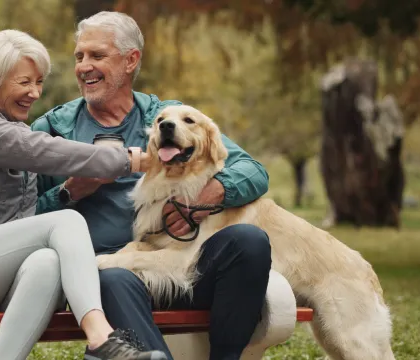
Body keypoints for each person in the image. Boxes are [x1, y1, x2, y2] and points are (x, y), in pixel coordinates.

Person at [0, 29, 168, 360]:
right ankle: (101, 338)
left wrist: (65, 193)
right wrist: (130, 159)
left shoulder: (14, 131)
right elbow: (39, 149)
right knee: (65, 222)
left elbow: (21, 220)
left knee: (47, 262)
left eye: (39, 82)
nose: (34, 93)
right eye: (24, 82)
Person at [32, 12, 272, 360]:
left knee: (248, 242)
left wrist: (200, 202)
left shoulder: (166, 118)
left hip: (176, 263)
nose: (84, 66)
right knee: (113, 275)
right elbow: (20, 215)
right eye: (79, 57)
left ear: (131, 61)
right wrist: (68, 193)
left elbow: (253, 171)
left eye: (97, 56)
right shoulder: (53, 129)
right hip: (106, 275)